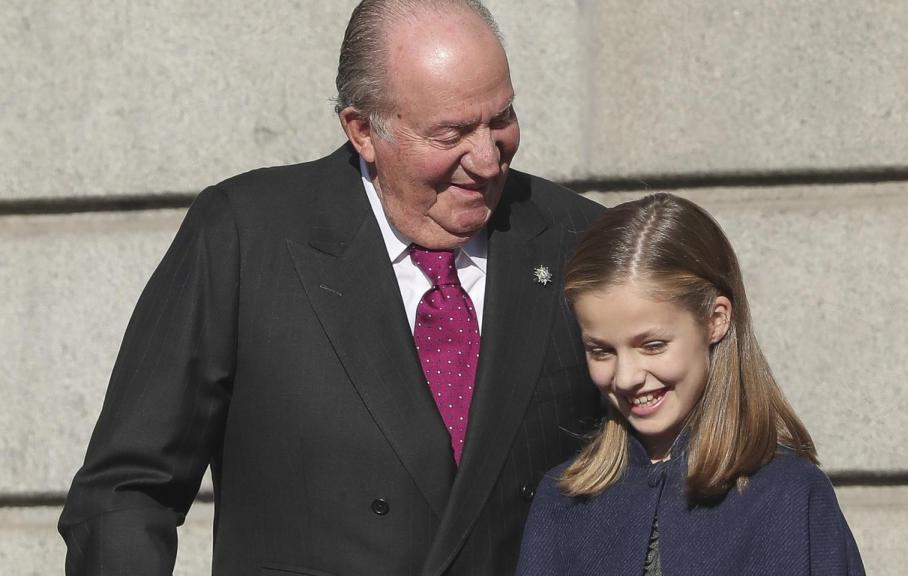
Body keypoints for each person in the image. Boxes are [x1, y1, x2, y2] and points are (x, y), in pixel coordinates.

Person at [58, 1, 604, 574]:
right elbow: (126, 492)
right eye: (452, 133)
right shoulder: (248, 238)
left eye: (501, 118)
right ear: (363, 130)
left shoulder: (580, 240)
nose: (488, 159)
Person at [515, 193, 865, 576]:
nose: (627, 377)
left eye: (653, 345)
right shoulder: (564, 501)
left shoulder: (789, 497)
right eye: (601, 351)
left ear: (716, 320)